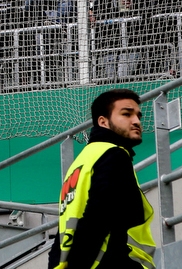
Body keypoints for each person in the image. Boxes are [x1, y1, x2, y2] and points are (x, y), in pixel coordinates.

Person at [49, 89, 155, 269]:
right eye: (126, 114)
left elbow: (64, 231)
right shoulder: (114, 155)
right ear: (103, 122)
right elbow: (98, 216)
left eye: (138, 115)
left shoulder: (80, 163)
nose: (137, 121)